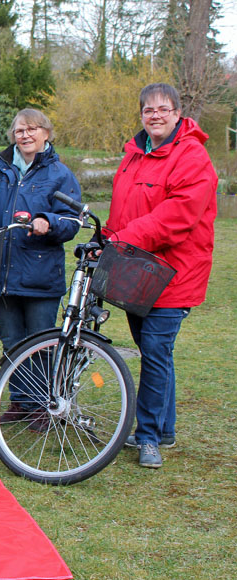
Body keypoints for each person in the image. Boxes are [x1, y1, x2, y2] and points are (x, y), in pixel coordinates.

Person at [0, 108, 81, 430]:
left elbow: (71, 220)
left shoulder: (60, 174)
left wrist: (47, 222)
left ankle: (41, 404)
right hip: (2, 273)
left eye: (32, 129)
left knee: (39, 343)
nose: (25, 135)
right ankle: (20, 401)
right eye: (20, 130)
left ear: (46, 134)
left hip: (40, 275)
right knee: (12, 342)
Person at [110, 83, 217, 468]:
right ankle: (165, 428)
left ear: (177, 113)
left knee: (155, 351)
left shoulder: (193, 156)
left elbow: (177, 218)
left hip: (175, 274)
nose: (155, 115)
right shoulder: (135, 154)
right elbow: (124, 209)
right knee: (154, 352)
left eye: (163, 109)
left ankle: (149, 435)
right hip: (137, 271)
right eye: (148, 109)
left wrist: (124, 237)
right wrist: (106, 237)